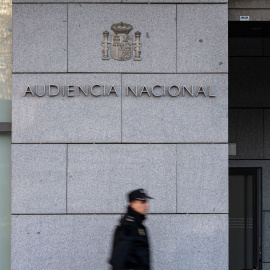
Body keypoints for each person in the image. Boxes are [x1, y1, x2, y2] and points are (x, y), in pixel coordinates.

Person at [109, 188, 153, 270]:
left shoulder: (138, 224)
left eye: (146, 201)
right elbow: (119, 257)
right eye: (142, 202)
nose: (147, 205)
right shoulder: (128, 225)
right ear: (132, 204)